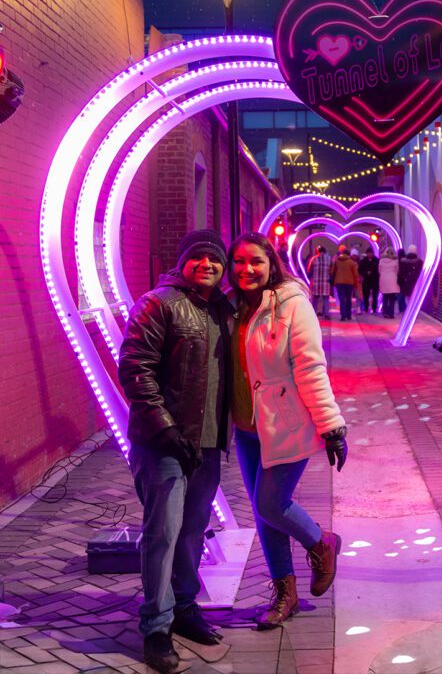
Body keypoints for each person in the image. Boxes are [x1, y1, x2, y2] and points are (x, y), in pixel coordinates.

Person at [118, 229, 232, 674]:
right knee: (163, 534)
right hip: (163, 442)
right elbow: (134, 367)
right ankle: (156, 625)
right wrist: (164, 428)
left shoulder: (222, 308)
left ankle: (184, 607)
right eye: (199, 258)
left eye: (215, 260)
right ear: (184, 260)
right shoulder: (158, 302)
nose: (207, 265)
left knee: (192, 532)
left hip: (206, 443)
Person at [228, 232, 348, 629]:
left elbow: (311, 367)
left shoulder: (293, 305)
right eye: (240, 261)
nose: (247, 269)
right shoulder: (230, 309)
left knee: (270, 505)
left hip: (285, 424)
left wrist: (331, 427)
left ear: (271, 264)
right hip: (246, 429)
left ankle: (321, 542)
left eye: (256, 262)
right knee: (266, 515)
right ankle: (285, 595)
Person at [330, 245, 359, 322]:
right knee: (348, 299)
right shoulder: (351, 262)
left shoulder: (337, 261)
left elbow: (332, 271)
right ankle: (348, 315)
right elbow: (355, 274)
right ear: (349, 255)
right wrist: (356, 284)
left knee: (342, 299)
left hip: (339, 282)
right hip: (349, 283)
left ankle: (343, 316)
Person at [307, 245, 331, 318]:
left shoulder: (313, 259)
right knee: (326, 298)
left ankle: (313, 313)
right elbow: (332, 269)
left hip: (316, 281)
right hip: (326, 281)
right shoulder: (329, 259)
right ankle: (326, 314)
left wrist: (311, 277)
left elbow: (309, 270)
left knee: (315, 298)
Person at [398, 244, 424, 310]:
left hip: (405, 281)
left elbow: (400, 272)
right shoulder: (419, 262)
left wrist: (400, 281)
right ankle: (413, 309)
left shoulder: (403, 261)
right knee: (414, 296)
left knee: (407, 296)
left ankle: (408, 309)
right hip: (415, 281)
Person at [379, 247, 400, 319]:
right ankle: (391, 314)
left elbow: (379, 270)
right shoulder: (395, 261)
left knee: (385, 298)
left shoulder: (381, 260)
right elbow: (397, 270)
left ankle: (385, 313)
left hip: (384, 279)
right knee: (392, 299)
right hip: (392, 280)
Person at [358, 247, 380, 313]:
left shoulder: (376, 260)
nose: (369, 255)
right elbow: (359, 270)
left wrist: (373, 273)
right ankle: (366, 307)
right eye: (368, 253)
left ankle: (374, 308)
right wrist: (365, 273)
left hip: (375, 280)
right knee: (366, 295)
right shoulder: (363, 261)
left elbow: (379, 270)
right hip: (366, 280)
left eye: (371, 253)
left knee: (375, 295)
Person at [396, 248, 407, 313]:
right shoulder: (406, 261)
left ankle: (401, 308)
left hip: (399, 280)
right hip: (404, 280)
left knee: (399, 295)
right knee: (403, 295)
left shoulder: (397, 261)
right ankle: (403, 308)